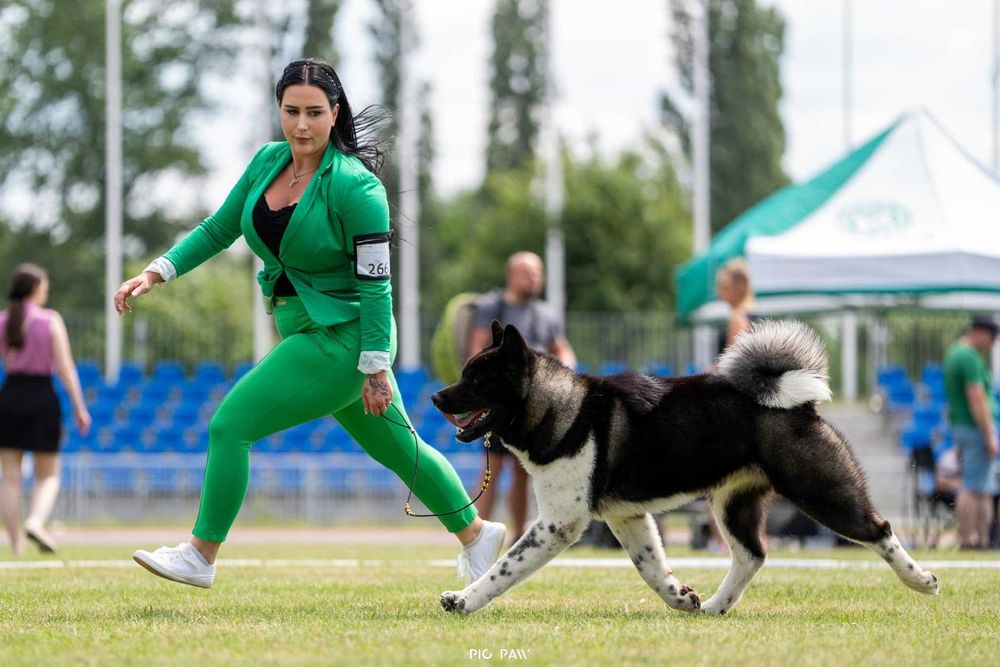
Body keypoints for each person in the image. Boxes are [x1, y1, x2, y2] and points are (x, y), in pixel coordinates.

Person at [114, 59, 505, 588]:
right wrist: (157, 271)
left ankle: (201, 555)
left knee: (230, 425)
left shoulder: (357, 188)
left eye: (314, 113)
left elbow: (376, 285)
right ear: (279, 110)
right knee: (398, 449)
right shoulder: (267, 162)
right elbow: (218, 228)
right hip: (307, 331)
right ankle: (477, 535)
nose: (301, 125)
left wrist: (374, 364)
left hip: (343, 342)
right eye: (291, 111)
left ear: (335, 113)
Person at [466, 251, 576, 542]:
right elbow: (476, 348)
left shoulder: (545, 313)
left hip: (532, 404)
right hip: (502, 401)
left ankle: (517, 536)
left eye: (538, 272)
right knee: (493, 464)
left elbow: (562, 348)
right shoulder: (493, 306)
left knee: (521, 469)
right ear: (512, 275)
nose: (534, 278)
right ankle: (477, 533)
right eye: (528, 272)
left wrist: (566, 371)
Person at [0, 263, 91, 555]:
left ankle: (16, 547)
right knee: (48, 475)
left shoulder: (2, 321)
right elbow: (65, 368)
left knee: (11, 478)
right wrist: (79, 407)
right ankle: (36, 522)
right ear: (36, 289)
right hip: (42, 397)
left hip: (10, 396)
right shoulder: (50, 320)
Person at [943, 315, 999, 549]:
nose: (991, 345)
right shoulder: (968, 357)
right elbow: (977, 398)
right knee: (972, 486)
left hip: (965, 427)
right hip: (975, 429)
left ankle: (982, 539)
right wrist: (989, 435)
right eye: (992, 339)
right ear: (981, 333)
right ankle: (970, 539)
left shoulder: (955, 352)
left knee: (983, 488)